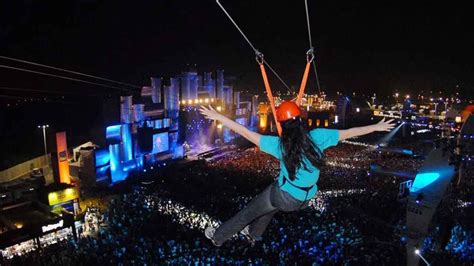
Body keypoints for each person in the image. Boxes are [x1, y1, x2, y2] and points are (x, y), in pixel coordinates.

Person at [199, 101, 395, 247]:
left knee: (249, 211)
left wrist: (220, 117)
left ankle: (217, 238)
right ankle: (254, 235)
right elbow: (350, 132)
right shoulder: (318, 136)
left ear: (282, 124)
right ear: (300, 120)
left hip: (285, 197)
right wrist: (376, 127)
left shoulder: (280, 145)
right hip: (306, 198)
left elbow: (245, 132)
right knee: (270, 203)